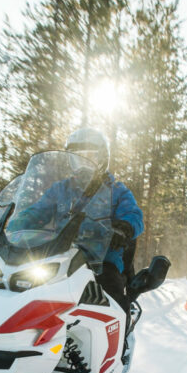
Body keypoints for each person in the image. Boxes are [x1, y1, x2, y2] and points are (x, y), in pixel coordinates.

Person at [63, 128, 144, 309]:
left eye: (89, 157)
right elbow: (38, 209)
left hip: (101, 260)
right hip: (60, 255)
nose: (83, 164)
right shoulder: (63, 189)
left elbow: (134, 214)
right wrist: (19, 223)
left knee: (111, 294)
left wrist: (124, 227)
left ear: (101, 158)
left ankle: (121, 322)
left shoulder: (117, 190)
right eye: (77, 159)